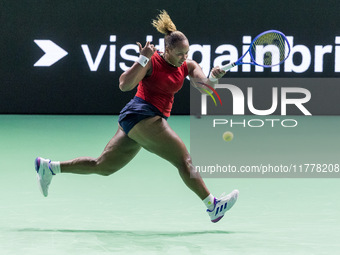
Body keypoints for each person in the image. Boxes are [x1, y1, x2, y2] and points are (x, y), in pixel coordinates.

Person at [35, 10, 239, 223]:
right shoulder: (152, 62)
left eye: (186, 53)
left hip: (138, 120)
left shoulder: (188, 66)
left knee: (103, 166)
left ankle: (50, 167)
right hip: (143, 114)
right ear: (167, 49)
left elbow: (205, 90)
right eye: (179, 53)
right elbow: (124, 85)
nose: (184, 57)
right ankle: (212, 206)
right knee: (184, 160)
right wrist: (143, 59)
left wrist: (214, 78)